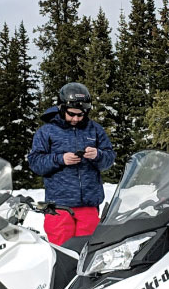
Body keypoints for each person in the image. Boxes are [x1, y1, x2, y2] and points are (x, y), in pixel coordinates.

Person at [28, 82, 116, 245]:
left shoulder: (95, 130)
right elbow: (35, 162)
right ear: (62, 108)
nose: (76, 118)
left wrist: (98, 155)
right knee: (62, 253)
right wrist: (60, 159)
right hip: (58, 207)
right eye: (71, 114)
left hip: (88, 205)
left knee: (89, 252)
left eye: (80, 114)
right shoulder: (46, 131)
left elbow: (109, 159)